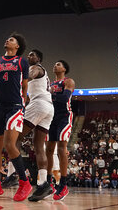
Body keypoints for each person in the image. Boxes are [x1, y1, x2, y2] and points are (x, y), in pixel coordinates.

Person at [0, 33, 32, 202]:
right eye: (8, 38)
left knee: (10, 145)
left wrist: (23, 100)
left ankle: (25, 183)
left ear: (17, 46)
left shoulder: (22, 61)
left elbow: (24, 84)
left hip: (15, 107)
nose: (7, 40)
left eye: (12, 40)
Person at [19, 49, 55, 201]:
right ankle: (44, 183)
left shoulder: (36, 68)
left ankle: (14, 176)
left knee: (14, 139)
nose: (29, 56)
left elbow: (28, 76)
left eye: (32, 55)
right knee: (39, 146)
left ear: (39, 58)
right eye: (28, 55)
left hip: (39, 104)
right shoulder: (45, 74)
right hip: (48, 107)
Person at [45, 60, 75, 201]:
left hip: (64, 116)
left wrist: (49, 95)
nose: (55, 65)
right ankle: (49, 182)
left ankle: (63, 184)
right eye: (54, 64)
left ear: (64, 68)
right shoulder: (50, 84)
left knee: (62, 148)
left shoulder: (68, 81)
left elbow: (64, 98)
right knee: (49, 150)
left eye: (58, 64)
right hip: (51, 117)